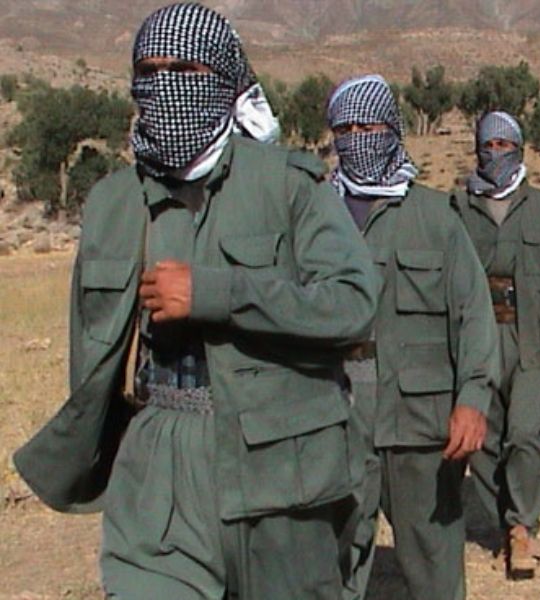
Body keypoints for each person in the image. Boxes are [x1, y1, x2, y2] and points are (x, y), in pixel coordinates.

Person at [15, 4, 381, 598]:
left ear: (227, 80)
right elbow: (91, 348)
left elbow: (353, 303)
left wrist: (218, 293)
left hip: (280, 465)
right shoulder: (113, 202)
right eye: (149, 72)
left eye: (185, 70)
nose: (165, 87)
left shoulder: (287, 183)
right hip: (159, 464)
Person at [327, 75, 500, 600]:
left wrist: (472, 400)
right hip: (334, 414)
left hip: (420, 419)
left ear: (393, 129)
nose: (357, 139)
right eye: (345, 129)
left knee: (433, 558)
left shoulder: (435, 216)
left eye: (369, 127)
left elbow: (473, 313)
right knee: (332, 555)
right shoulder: (314, 212)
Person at [453, 112, 540, 580]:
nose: (495, 152)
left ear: (520, 149)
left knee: (526, 434)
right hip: (479, 338)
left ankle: (522, 526)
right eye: (488, 144)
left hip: (534, 337)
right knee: (485, 442)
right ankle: (502, 519)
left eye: (504, 144)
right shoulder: (459, 208)